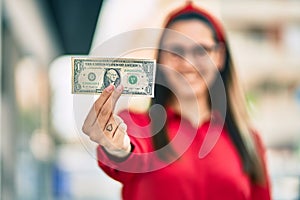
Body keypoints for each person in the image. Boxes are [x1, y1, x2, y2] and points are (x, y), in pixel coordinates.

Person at [82, 2, 271, 199]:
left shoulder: (249, 139)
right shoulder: (136, 125)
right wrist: (118, 147)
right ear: (160, 59)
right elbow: (125, 152)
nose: (188, 62)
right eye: (175, 51)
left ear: (220, 56)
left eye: (201, 50)